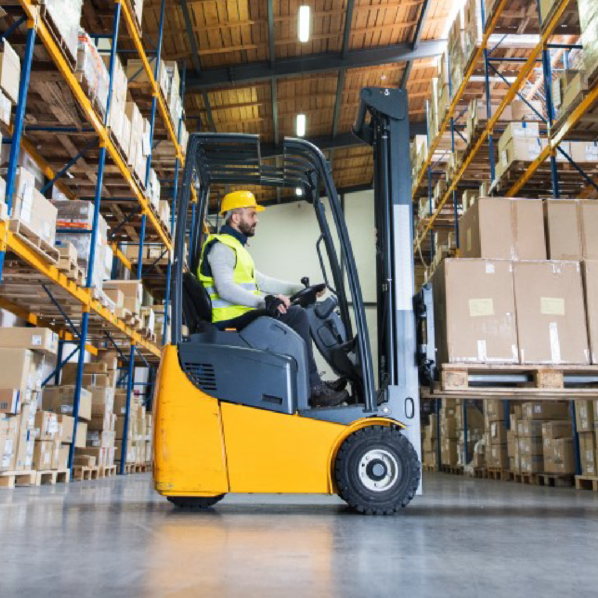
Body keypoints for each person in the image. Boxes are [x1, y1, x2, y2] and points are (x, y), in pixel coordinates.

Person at [197, 190, 348, 408]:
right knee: (296, 316)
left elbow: (263, 281)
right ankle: (314, 388)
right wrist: (265, 302)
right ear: (236, 217)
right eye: (252, 214)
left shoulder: (238, 248)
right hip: (229, 320)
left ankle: (310, 382)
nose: (256, 220)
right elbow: (225, 289)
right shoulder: (222, 248)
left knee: (297, 312)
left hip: (242, 315)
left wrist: (302, 288)